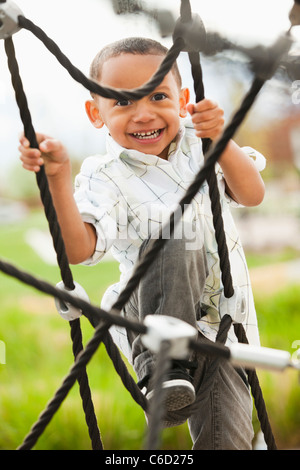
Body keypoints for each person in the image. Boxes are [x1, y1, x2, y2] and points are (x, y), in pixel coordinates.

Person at [19, 37, 266, 449]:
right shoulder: (106, 175)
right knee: (175, 227)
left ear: (183, 99)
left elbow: (252, 194)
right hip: (150, 318)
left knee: (228, 441)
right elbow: (80, 250)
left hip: (224, 326)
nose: (143, 113)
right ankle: (161, 369)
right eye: (123, 102)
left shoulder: (199, 142)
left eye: (158, 95)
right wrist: (58, 178)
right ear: (95, 114)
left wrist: (221, 137)